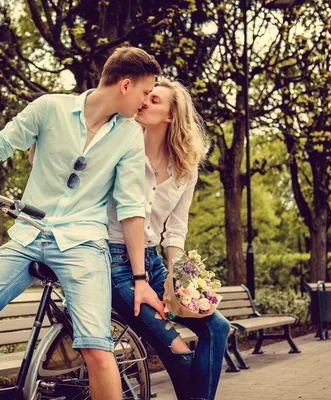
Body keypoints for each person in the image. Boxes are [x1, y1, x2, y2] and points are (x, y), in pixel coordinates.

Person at [0, 47, 164, 400]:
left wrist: (141, 277)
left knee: (97, 350)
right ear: (126, 85)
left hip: (83, 245)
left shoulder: (129, 135)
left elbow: (130, 208)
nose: (145, 103)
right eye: (146, 92)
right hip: (29, 235)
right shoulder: (50, 108)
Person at [107, 79, 230, 400]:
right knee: (179, 352)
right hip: (116, 265)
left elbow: (175, 231)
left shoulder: (185, 170)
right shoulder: (120, 147)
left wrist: (179, 280)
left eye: (155, 99)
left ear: (171, 117)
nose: (145, 100)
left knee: (217, 328)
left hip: (155, 263)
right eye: (145, 95)